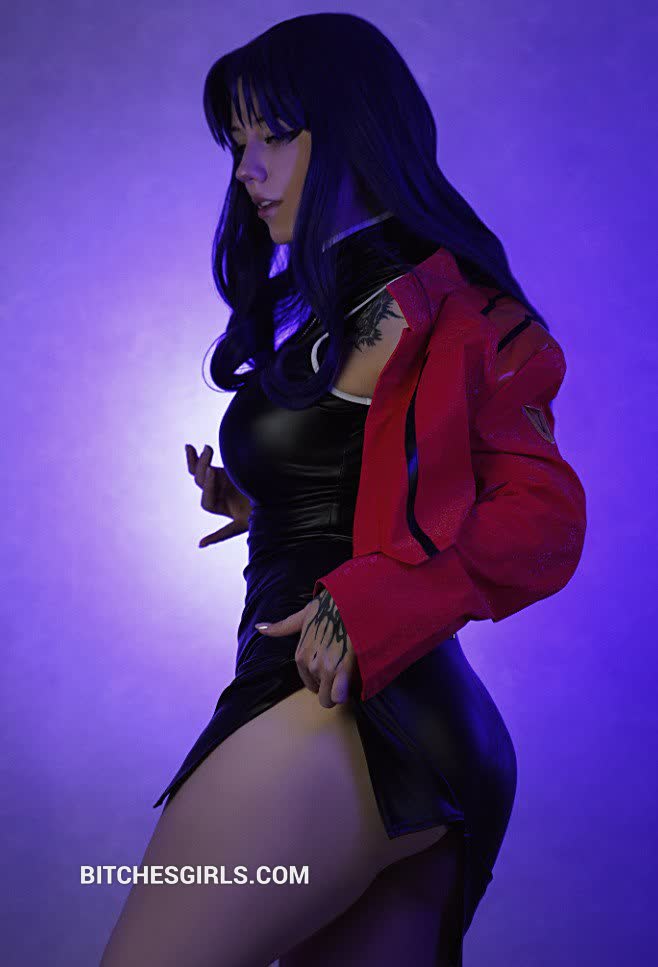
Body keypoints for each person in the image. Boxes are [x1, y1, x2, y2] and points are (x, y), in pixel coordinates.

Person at [100, 13, 586, 967]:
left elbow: (544, 521)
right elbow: (380, 477)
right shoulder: (334, 304)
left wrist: (378, 602)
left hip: (356, 716)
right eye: (238, 143)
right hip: (379, 720)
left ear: (356, 128)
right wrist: (264, 508)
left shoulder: (446, 307)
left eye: (276, 135)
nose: (249, 169)